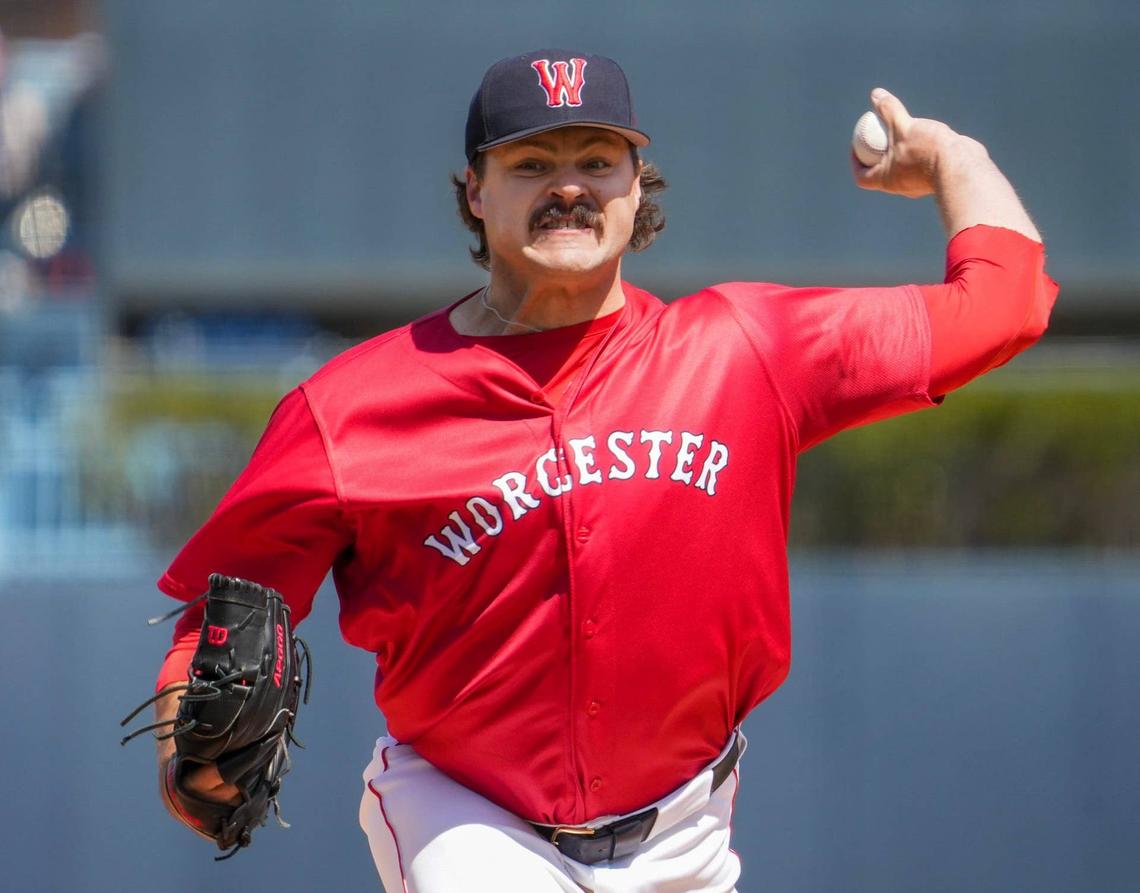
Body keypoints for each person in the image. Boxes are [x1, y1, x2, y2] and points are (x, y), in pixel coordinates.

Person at [149, 49, 1057, 892]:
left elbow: (1003, 305)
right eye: (532, 164)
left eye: (597, 159)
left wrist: (952, 156)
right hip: (468, 815)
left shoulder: (745, 351)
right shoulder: (350, 409)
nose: (569, 188)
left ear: (636, 187)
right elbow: (219, 611)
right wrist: (184, 743)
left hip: (688, 829)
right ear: (475, 191)